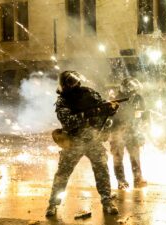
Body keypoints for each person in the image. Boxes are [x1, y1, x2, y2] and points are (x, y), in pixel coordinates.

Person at [46, 71, 119, 217]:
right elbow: (68, 122)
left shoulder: (90, 93)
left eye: (69, 83)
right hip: (73, 142)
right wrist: (88, 114)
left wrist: (110, 110)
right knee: (62, 174)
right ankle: (53, 204)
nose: (67, 86)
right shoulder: (63, 101)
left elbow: (103, 110)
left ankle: (107, 201)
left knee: (102, 171)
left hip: (93, 140)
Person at [109, 78, 147, 189]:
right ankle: (121, 181)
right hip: (117, 132)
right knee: (118, 157)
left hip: (133, 132)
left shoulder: (138, 98)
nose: (133, 92)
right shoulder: (116, 100)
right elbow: (110, 117)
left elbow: (143, 114)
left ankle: (138, 179)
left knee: (135, 157)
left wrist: (141, 129)